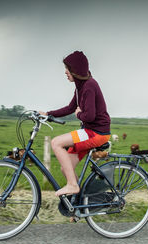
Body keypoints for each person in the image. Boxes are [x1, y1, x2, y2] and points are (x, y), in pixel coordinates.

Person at [39, 51, 111, 197]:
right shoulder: (80, 86)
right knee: (66, 169)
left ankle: (72, 186)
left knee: (56, 143)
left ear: (76, 71)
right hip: (89, 131)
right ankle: (79, 204)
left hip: (96, 133)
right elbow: (70, 108)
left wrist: (79, 114)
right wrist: (48, 114)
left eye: (68, 69)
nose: (65, 72)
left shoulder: (89, 86)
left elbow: (89, 116)